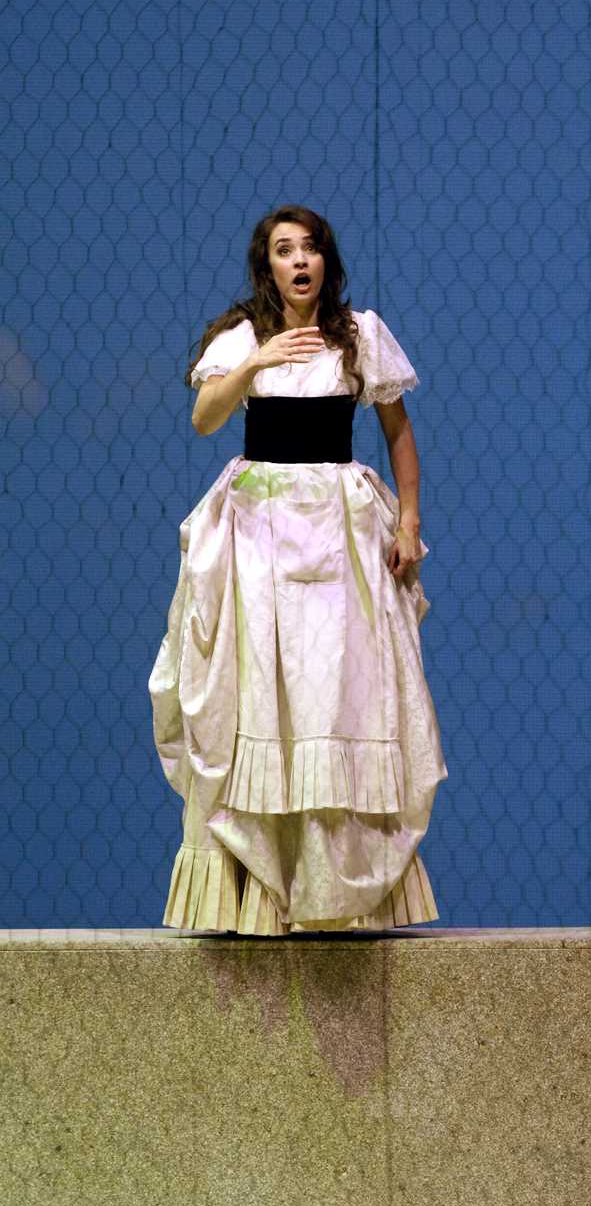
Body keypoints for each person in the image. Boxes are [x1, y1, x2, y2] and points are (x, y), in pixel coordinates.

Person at [149, 206, 446, 935]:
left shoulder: (358, 335)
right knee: (259, 696)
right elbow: (204, 418)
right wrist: (255, 363)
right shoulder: (242, 337)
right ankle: (257, 893)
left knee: (334, 698)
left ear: (326, 261)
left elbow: (399, 431)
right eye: (285, 250)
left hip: (339, 534)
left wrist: (408, 520)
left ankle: (335, 891)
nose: (300, 260)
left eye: (310, 248)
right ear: (268, 267)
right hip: (259, 536)